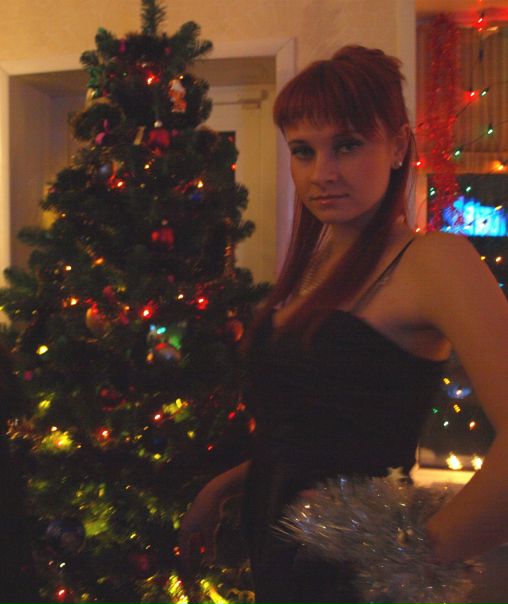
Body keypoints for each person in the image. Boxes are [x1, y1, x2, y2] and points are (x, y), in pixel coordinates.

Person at [179, 45, 508, 603]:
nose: (322, 173)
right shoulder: (316, 264)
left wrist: (411, 561)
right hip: (278, 558)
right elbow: (313, 436)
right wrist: (224, 487)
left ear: (398, 146)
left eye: (348, 145)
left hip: (349, 580)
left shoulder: (432, 260)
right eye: (303, 151)